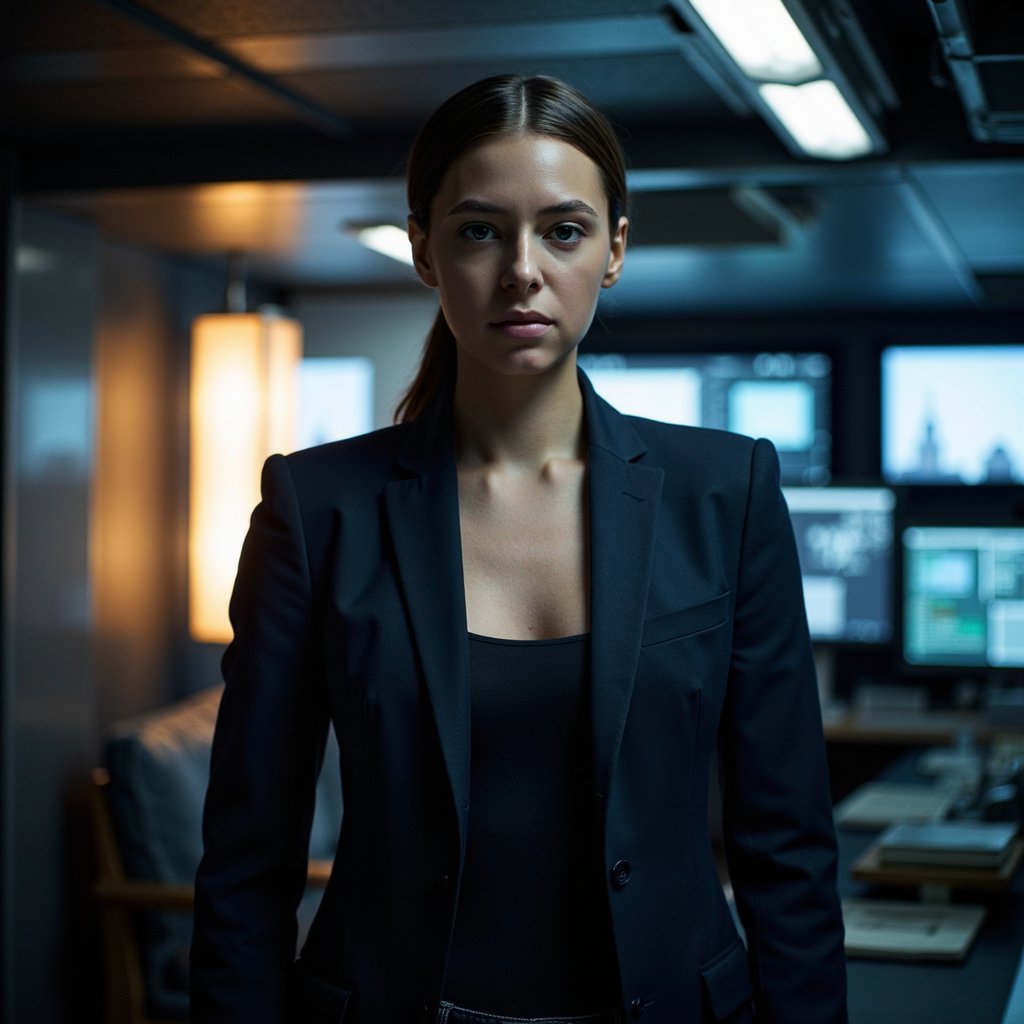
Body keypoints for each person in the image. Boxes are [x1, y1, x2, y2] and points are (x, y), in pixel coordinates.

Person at [190, 74, 848, 1024]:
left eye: (565, 230)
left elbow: (787, 842)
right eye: (479, 229)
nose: (522, 270)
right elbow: (248, 859)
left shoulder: (726, 491)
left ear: (615, 250)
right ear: (423, 248)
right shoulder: (319, 507)